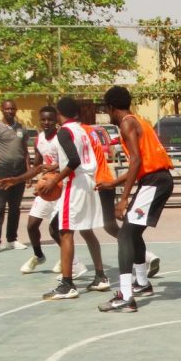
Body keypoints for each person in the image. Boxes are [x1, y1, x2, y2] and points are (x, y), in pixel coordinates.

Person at [97, 86, 174, 313]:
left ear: (110, 107)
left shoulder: (126, 124)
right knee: (134, 232)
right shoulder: (139, 120)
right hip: (156, 179)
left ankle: (126, 297)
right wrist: (113, 183)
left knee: (125, 235)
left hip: (154, 181)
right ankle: (141, 283)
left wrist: (123, 198)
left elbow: (136, 162)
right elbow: (140, 165)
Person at [37, 97, 105, 300]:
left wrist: (53, 180)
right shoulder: (82, 130)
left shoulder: (64, 132)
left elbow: (74, 160)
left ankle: (67, 284)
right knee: (86, 229)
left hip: (75, 184)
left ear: (60, 113)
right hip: (88, 181)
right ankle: (101, 276)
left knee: (64, 231)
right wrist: (56, 170)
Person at [11, 106, 87, 279]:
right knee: (31, 225)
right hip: (47, 188)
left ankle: (72, 262)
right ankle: (39, 256)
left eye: (50, 120)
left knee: (55, 229)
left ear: (56, 120)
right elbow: (38, 165)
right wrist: (17, 179)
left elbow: (74, 161)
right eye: (43, 119)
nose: (46, 123)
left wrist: (55, 168)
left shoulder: (62, 137)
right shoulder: (39, 139)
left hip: (61, 186)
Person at [0, 99, 29, 254]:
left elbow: (25, 152)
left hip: (19, 171)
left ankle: (11, 239)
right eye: (7, 109)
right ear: (2, 110)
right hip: (2, 171)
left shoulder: (21, 128)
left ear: (16, 110)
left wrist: (27, 173)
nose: (10, 111)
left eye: (13, 109)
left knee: (15, 208)